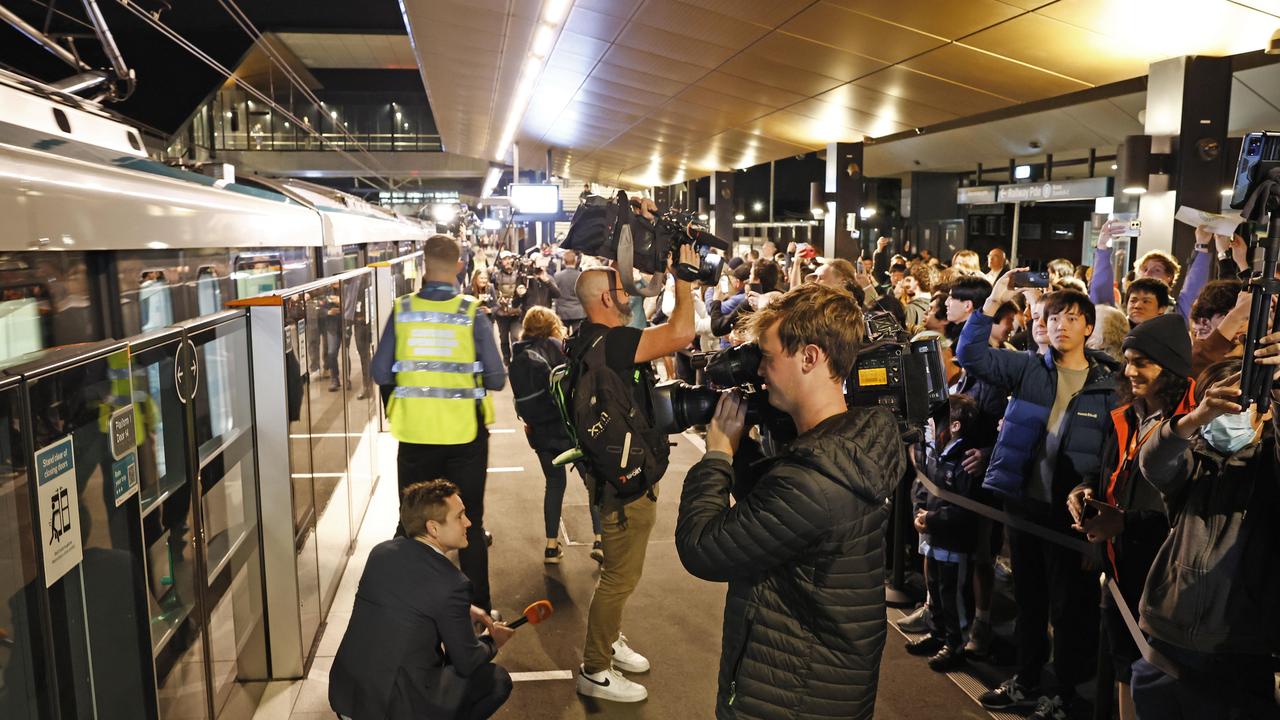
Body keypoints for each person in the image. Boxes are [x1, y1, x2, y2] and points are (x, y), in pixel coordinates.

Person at [675, 283, 905, 720]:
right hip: (821, 683)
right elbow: (768, 513)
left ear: (810, 357)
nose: (758, 370)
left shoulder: (813, 481)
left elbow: (701, 548)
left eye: (766, 355)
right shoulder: (853, 442)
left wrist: (719, 454)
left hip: (792, 695)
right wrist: (745, 447)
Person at [957, 279, 1120, 720]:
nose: (1062, 326)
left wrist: (1092, 512)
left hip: (1070, 516)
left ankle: (1064, 694)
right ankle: (1026, 681)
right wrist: (991, 302)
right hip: (1024, 504)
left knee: (1072, 608)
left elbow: (1110, 456)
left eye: (1072, 318)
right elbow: (969, 355)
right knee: (1030, 600)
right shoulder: (1030, 368)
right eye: (1053, 318)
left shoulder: (1109, 385)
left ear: (1088, 327)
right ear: (1041, 325)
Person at [572, 245, 698, 702]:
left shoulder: (586, 340)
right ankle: (595, 668)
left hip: (607, 474)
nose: (628, 293)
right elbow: (683, 333)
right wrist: (683, 278)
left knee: (617, 571)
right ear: (606, 300)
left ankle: (609, 641)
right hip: (625, 485)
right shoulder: (617, 344)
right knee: (619, 579)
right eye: (621, 289)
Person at [1131, 354, 1280, 719]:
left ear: (1264, 412)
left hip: (1238, 650)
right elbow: (1154, 463)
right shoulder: (1195, 459)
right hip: (1166, 639)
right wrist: (1195, 419)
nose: (1224, 415)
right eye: (1216, 403)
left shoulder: (1269, 468)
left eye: (1237, 404)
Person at [1067, 314, 1195, 720]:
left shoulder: (1194, 425)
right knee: (1124, 665)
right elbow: (1104, 473)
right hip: (1119, 573)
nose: (1129, 371)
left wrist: (1124, 523)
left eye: (1142, 362)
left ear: (1171, 369)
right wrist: (1083, 491)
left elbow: (1189, 517)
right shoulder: (1126, 416)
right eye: (1128, 360)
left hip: (1166, 584)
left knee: (1158, 682)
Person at [372, 234, 506, 613]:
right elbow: (496, 379)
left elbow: (381, 371)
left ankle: (406, 609)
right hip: (465, 438)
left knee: (413, 524)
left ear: (422, 267)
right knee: (469, 523)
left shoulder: (402, 311)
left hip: (415, 437)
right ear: (460, 266)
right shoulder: (471, 313)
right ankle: (478, 614)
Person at [330, 480, 514, 720]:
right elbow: (466, 661)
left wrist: (468, 609)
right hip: (393, 708)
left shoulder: (381, 553)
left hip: (348, 696)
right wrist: (493, 642)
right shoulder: (453, 583)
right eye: (459, 517)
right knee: (497, 680)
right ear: (433, 528)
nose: (468, 522)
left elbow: (410, 593)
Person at [508, 307, 603, 564]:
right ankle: (600, 540)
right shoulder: (558, 349)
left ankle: (551, 546)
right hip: (571, 430)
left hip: (540, 432)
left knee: (554, 484)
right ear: (552, 325)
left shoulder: (518, 355)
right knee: (592, 481)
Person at [907, 394, 984, 672]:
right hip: (937, 537)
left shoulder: (965, 459)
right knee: (937, 591)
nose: (933, 425)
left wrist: (933, 518)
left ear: (954, 426)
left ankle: (956, 644)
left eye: (940, 420)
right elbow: (927, 487)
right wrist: (921, 512)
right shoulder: (941, 453)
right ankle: (938, 633)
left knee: (955, 597)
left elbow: (965, 510)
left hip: (955, 542)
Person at [1090, 221, 1214, 321]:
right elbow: (1101, 301)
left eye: (1157, 270)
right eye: (1144, 269)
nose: (1148, 274)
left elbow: (1194, 287)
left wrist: (1202, 245)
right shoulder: (1120, 319)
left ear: (1169, 277)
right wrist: (1102, 245)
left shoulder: (1177, 316)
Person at [490, 252, 524, 364]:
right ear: (501, 262)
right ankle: (506, 359)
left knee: (516, 337)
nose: (508, 261)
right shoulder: (495, 276)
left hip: (516, 312)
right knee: (503, 338)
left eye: (509, 259)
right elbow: (492, 291)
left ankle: (517, 360)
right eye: (505, 259)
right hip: (502, 313)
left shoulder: (519, 275)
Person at [553, 249, 586, 335]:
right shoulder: (580, 275)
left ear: (564, 261)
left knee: (562, 337)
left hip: (562, 312)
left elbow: (555, 293)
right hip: (578, 312)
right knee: (577, 337)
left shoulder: (557, 276)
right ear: (575, 261)